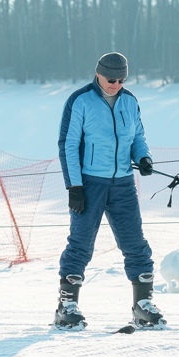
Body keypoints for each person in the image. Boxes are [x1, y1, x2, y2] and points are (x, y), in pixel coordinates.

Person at [55, 52, 165, 330]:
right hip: (89, 184)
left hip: (123, 184)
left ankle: (143, 306)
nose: (116, 84)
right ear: (98, 74)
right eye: (111, 79)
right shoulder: (80, 101)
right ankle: (66, 306)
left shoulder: (129, 101)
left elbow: (138, 137)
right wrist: (74, 186)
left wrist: (144, 158)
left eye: (121, 79)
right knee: (80, 243)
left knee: (135, 243)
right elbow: (67, 144)